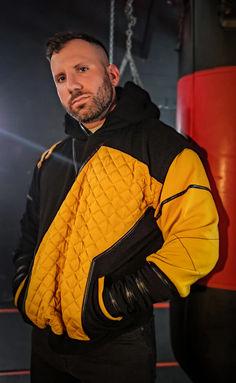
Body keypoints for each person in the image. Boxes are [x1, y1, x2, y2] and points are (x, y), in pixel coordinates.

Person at [12, 31, 219, 383]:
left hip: (117, 344)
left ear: (111, 75)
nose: (72, 85)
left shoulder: (165, 149)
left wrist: (113, 303)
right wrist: (23, 288)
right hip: (46, 340)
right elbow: (30, 231)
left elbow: (196, 242)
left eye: (82, 69)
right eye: (61, 78)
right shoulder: (51, 158)